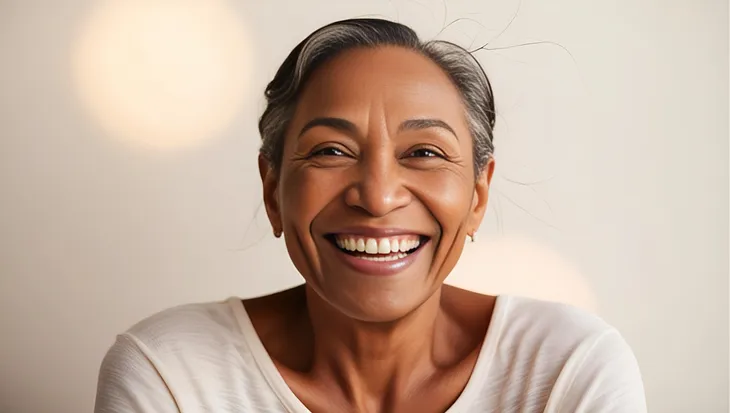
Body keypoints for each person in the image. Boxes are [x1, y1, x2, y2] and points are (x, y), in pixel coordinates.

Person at [94, 18, 646, 413]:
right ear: (272, 191)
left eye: (424, 153)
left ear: (477, 198)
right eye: (332, 151)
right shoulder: (170, 374)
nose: (378, 197)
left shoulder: (568, 370)